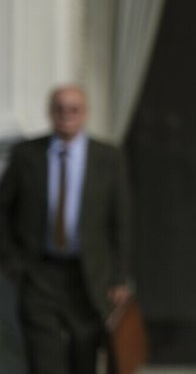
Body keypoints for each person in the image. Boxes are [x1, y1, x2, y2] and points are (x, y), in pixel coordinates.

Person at [0, 84, 132, 374]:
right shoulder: (27, 155)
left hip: (88, 276)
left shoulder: (107, 158)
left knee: (84, 357)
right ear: (50, 112)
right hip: (38, 272)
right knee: (44, 360)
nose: (66, 115)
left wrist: (119, 277)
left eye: (74, 109)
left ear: (85, 113)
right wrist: (10, 259)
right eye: (60, 108)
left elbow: (119, 221)